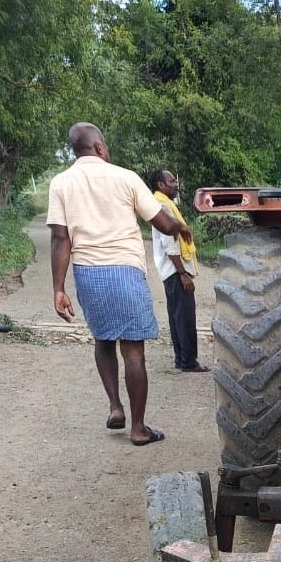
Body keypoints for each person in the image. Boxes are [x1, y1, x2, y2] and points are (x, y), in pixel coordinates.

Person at [47, 122, 191, 446]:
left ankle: (115, 406)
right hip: (125, 269)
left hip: (88, 272)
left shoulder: (61, 183)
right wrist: (180, 227)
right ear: (100, 147)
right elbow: (161, 222)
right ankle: (138, 429)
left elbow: (60, 238)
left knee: (103, 339)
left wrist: (58, 288)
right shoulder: (126, 177)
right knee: (133, 352)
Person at [147, 169, 208, 373]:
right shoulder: (163, 205)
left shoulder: (159, 202)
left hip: (170, 271)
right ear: (161, 185)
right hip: (175, 271)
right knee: (185, 317)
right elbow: (169, 242)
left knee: (177, 316)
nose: (176, 184)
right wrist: (183, 274)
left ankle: (181, 358)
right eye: (172, 181)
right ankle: (188, 361)